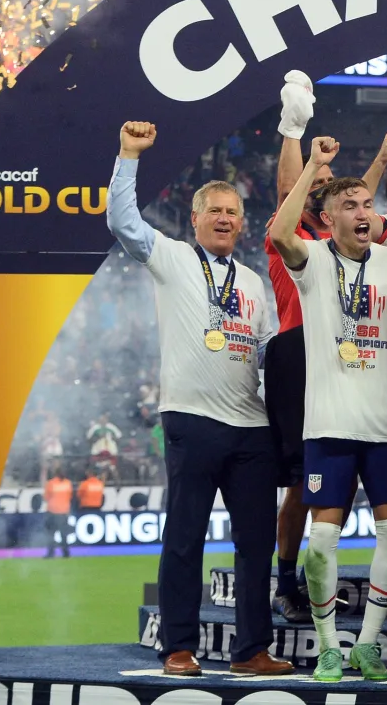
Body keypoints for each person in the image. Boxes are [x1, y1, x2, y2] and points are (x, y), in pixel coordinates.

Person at [107, 121, 290, 677]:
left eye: (232, 212)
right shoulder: (171, 259)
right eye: (214, 210)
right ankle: (178, 647)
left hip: (250, 427)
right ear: (195, 219)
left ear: (241, 221)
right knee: (184, 539)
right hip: (191, 419)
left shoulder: (254, 284)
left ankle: (252, 651)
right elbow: (122, 221)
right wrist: (128, 157)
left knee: (256, 546)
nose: (224, 219)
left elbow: (265, 357)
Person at [269, 136, 387, 682]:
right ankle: (330, 644)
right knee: (324, 541)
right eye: (350, 206)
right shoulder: (310, 261)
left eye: (367, 205)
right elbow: (280, 232)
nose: (363, 212)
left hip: (384, 425)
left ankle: (370, 643)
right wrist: (311, 166)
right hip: (329, 424)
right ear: (328, 219)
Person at [262, 70, 332, 624]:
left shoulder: (346, 241)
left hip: (346, 354)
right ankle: (286, 583)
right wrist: (295, 130)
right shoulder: (291, 236)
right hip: (298, 353)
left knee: (341, 481)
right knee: (303, 485)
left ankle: (313, 581)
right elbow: (291, 193)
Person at [44, 467, 73, 559]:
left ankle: (51, 553)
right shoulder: (68, 483)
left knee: (51, 535)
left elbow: (46, 497)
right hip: (64, 512)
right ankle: (66, 553)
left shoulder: (51, 483)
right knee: (64, 535)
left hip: (53, 511)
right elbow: (70, 496)